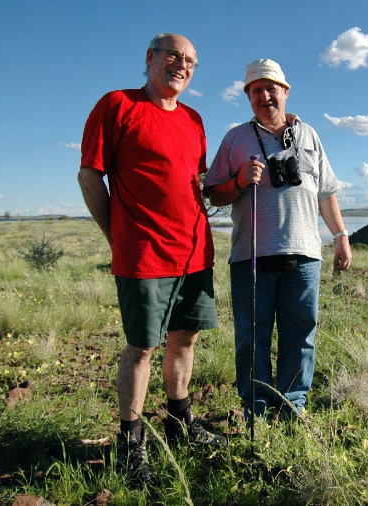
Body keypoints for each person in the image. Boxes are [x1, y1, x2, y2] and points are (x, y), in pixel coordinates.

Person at [78, 33, 222, 484]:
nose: (182, 65)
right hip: (142, 254)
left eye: (191, 61)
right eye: (174, 56)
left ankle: (179, 423)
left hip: (194, 252)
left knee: (186, 339)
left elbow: (196, 182)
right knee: (142, 348)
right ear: (150, 58)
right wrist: (116, 237)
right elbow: (89, 175)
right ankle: (130, 442)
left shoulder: (195, 119)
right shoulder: (117, 104)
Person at [204, 58, 352, 421]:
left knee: (300, 335)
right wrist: (239, 181)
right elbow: (214, 193)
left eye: (272, 89)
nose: (265, 96)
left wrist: (341, 235)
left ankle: (291, 409)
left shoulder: (310, 135)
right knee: (251, 340)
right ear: (248, 97)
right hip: (251, 257)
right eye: (256, 90)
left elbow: (326, 193)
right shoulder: (236, 138)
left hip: (304, 256)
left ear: (286, 92)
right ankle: (255, 410)